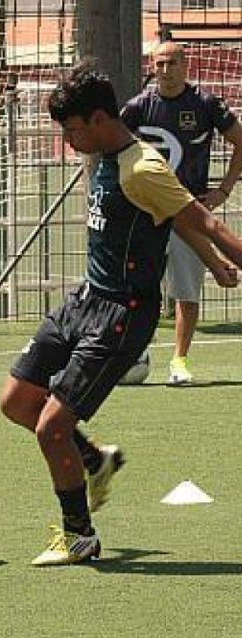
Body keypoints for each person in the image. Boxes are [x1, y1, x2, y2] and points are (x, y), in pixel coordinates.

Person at [0, 61, 242, 566]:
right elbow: (167, 219)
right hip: (85, 298)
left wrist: (221, 256)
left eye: (71, 131)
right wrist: (213, 265)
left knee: (50, 427)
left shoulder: (143, 167)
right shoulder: (108, 156)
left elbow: (204, 220)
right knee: (16, 401)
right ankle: (94, 460)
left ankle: (80, 535)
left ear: (99, 119)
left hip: (122, 314)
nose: (67, 141)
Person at [121, 40, 242, 384]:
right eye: (159, 64)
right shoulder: (139, 107)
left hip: (189, 211)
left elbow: (240, 142)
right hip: (145, 214)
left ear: (185, 66)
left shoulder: (205, 104)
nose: (165, 70)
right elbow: (112, 146)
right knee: (138, 289)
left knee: (186, 291)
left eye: (172, 63)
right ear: (151, 67)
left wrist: (223, 189)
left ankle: (180, 360)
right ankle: (131, 351)